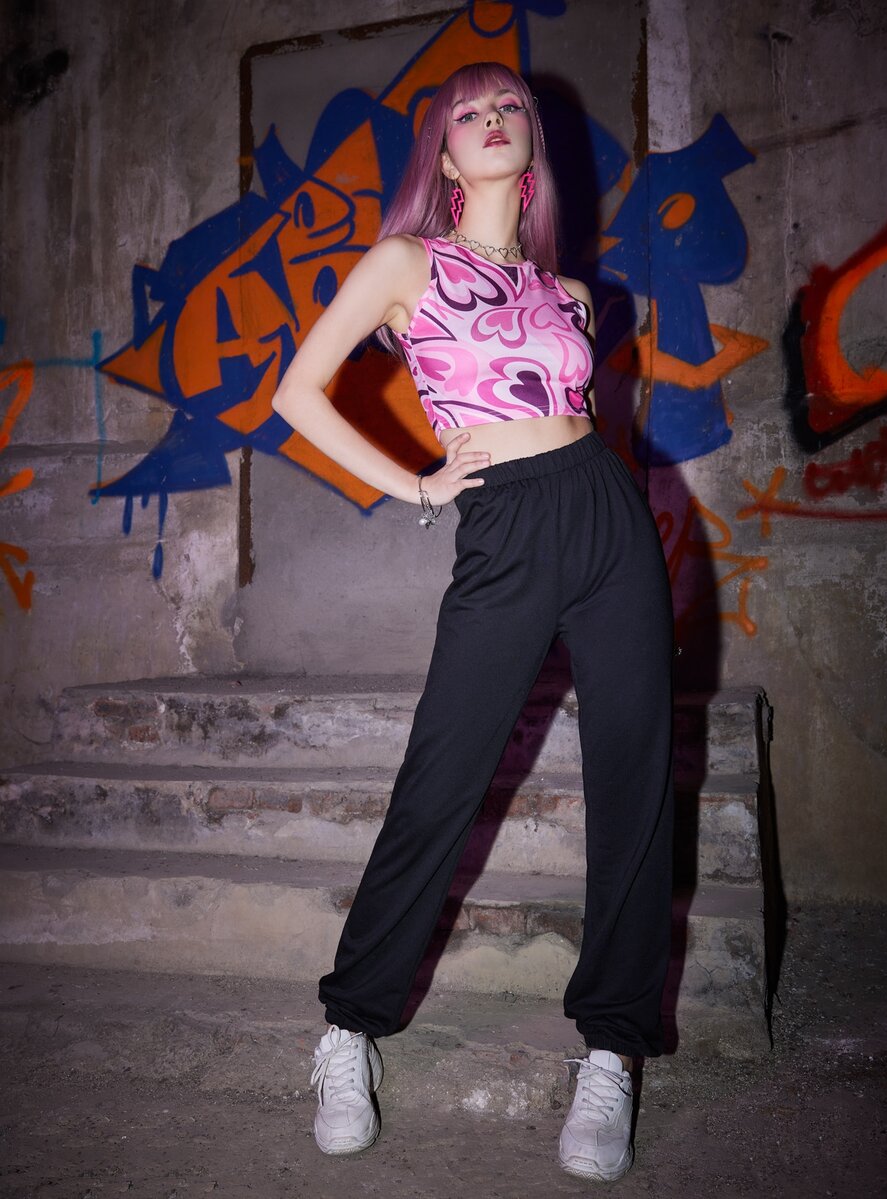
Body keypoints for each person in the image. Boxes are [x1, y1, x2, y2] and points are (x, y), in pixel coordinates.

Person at [271, 61, 674, 1184]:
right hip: (504, 527)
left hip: (607, 515)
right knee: (440, 778)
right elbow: (296, 391)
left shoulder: (573, 294)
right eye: (468, 112)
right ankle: (349, 1026)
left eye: (509, 109)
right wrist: (415, 483)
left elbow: (576, 413)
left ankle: (612, 1049)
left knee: (635, 779)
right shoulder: (406, 264)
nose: (492, 120)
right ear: (444, 155)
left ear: (529, 146)